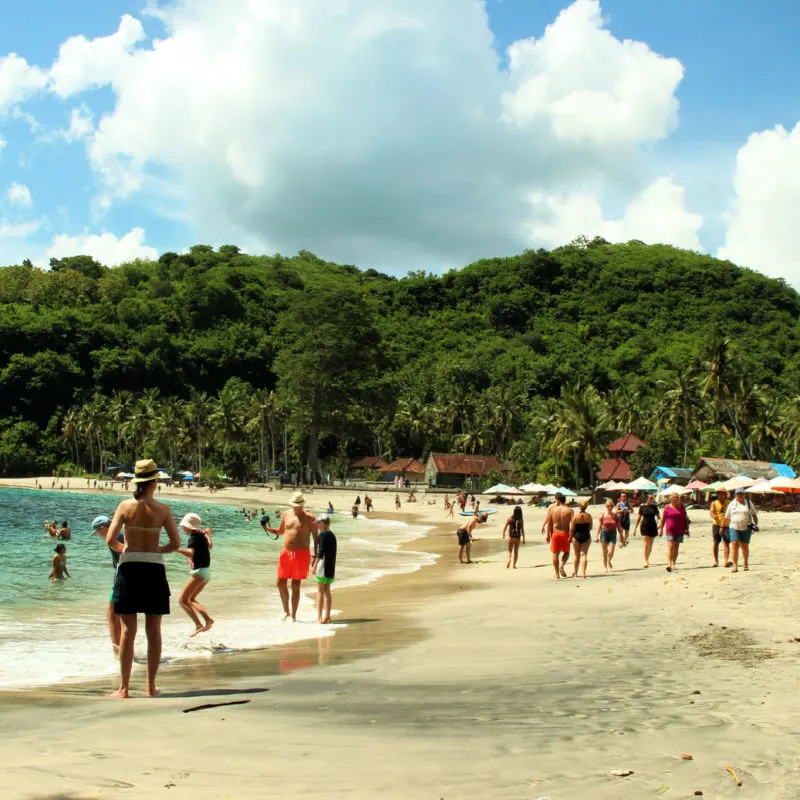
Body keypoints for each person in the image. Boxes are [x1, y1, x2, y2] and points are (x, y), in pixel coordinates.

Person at [105, 459, 180, 699]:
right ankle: (150, 686)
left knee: (128, 630)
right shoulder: (163, 510)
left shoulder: (125, 506)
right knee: (153, 629)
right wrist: (158, 550)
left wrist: (124, 548)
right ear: (154, 483)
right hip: (154, 568)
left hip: (130, 568)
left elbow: (110, 540)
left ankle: (124, 688)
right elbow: (175, 543)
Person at [264, 492, 319, 621]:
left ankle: (293, 616)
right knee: (280, 583)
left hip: (302, 553)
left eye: (299, 505)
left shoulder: (310, 518)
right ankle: (286, 612)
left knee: (295, 585)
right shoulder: (286, 514)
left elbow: (316, 539)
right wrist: (266, 528)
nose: (296, 507)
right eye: (295, 505)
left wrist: (316, 556)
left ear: (303, 505)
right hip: (286, 552)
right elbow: (281, 531)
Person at [176, 512, 214, 637]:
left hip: (199, 572)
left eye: (184, 526)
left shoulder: (193, 538)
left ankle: (199, 625)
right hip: (206, 572)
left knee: (182, 600)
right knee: (191, 599)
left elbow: (190, 554)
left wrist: (176, 549)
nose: (182, 528)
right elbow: (210, 546)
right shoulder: (202, 535)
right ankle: (208, 620)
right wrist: (208, 535)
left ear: (189, 526)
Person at [91, 514, 123, 654]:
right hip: (126, 577)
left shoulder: (113, 539)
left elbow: (123, 558)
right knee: (120, 614)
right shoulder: (121, 536)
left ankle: (117, 648)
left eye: (98, 531)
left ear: (103, 528)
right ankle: (122, 646)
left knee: (112, 613)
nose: (98, 535)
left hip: (121, 578)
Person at [724, 488, 758, 573]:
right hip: (734, 526)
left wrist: (756, 524)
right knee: (734, 545)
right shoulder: (732, 504)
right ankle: (735, 565)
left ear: (744, 495)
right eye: (738, 494)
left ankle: (745, 563)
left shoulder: (749, 503)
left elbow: (754, 514)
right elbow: (727, 517)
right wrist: (722, 527)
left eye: (741, 494)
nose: (740, 496)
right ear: (735, 495)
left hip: (746, 527)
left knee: (744, 546)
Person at [313, 513, 337, 623]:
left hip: (323, 566)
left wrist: (314, 566)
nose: (317, 525)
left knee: (320, 591)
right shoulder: (332, 535)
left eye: (318, 523)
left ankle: (319, 618)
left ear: (322, 523)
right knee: (327, 591)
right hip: (331, 567)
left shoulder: (322, 535)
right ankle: (327, 616)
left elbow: (321, 552)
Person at [659, 492, 690, 572]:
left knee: (676, 547)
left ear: (679, 498)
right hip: (670, 530)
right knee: (671, 547)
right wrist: (661, 530)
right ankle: (669, 563)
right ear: (670, 499)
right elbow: (663, 519)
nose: (675, 499)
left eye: (677, 497)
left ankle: (673, 563)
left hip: (680, 530)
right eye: (673, 497)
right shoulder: (667, 508)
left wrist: (687, 529)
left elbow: (685, 519)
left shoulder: (682, 507)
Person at [547, 493, 574, 579]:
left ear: (558, 500)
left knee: (555, 553)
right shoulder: (569, 510)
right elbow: (573, 524)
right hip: (565, 533)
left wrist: (548, 535)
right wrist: (572, 535)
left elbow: (549, 524)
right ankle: (561, 566)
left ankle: (557, 574)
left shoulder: (553, 510)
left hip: (556, 533)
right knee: (567, 551)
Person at [633, 494, 660, 567]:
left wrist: (660, 524)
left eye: (652, 498)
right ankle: (645, 561)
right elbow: (639, 518)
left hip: (653, 526)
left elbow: (659, 517)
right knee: (645, 544)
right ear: (646, 499)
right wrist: (635, 528)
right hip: (644, 525)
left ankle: (647, 558)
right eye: (650, 498)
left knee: (650, 545)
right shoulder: (642, 507)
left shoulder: (654, 507)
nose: (651, 499)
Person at [596, 500, 621, 574]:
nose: (610, 507)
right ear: (605, 506)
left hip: (613, 533)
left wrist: (621, 536)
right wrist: (597, 535)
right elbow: (599, 525)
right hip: (604, 533)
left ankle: (609, 560)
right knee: (604, 551)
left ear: (613, 506)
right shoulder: (603, 515)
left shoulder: (615, 515)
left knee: (611, 551)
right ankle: (605, 566)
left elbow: (618, 526)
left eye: (611, 506)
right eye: (608, 506)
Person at [569, 500, 592, 578]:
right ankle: (583, 573)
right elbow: (590, 527)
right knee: (584, 554)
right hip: (586, 535)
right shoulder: (589, 516)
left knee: (576, 555)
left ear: (579, 506)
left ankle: (575, 573)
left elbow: (572, 529)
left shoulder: (576, 516)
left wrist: (570, 537)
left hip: (577, 535)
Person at [710, 489, 732, 568]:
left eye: (722, 493)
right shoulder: (714, 503)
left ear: (725, 494)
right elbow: (712, 512)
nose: (720, 495)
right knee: (716, 542)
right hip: (716, 524)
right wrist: (714, 516)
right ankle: (716, 561)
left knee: (726, 542)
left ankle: (726, 560)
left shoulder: (729, 503)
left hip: (726, 524)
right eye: (718, 494)